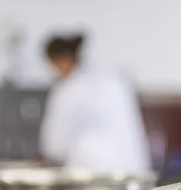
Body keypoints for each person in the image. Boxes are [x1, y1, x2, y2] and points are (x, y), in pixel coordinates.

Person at [39, 33, 152, 174]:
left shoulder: (67, 90)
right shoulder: (113, 80)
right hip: (132, 169)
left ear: (62, 59)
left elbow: (53, 145)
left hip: (92, 172)